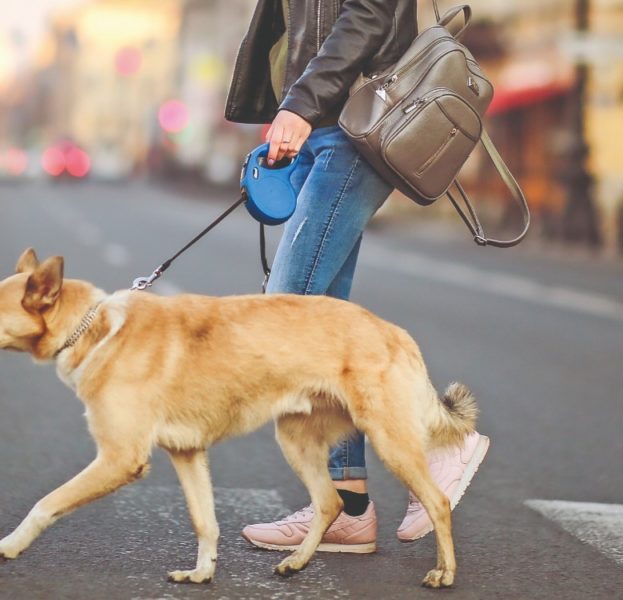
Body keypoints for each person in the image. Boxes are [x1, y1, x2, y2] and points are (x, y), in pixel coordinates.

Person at [224, 0, 490, 551]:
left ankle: (441, 440)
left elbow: (368, 14)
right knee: (327, 329)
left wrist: (299, 102)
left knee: (286, 311)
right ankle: (349, 509)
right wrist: (288, 106)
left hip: (356, 121)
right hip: (320, 124)